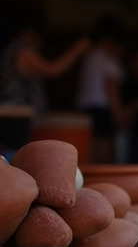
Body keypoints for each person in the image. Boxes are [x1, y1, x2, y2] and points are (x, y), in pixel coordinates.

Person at [0, 12, 89, 153]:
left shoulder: (15, 49)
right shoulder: (22, 51)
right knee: (16, 155)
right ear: (29, 33)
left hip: (18, 114)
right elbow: (52, 70)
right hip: (16, 114)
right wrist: (78, 49)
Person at [76, 16, 125, 163]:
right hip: (101, 111)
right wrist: (119, 118)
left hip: (83, 109)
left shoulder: (90, 56)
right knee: (104, 160)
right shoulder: (108, 59)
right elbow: (112, 91)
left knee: (88, 155)